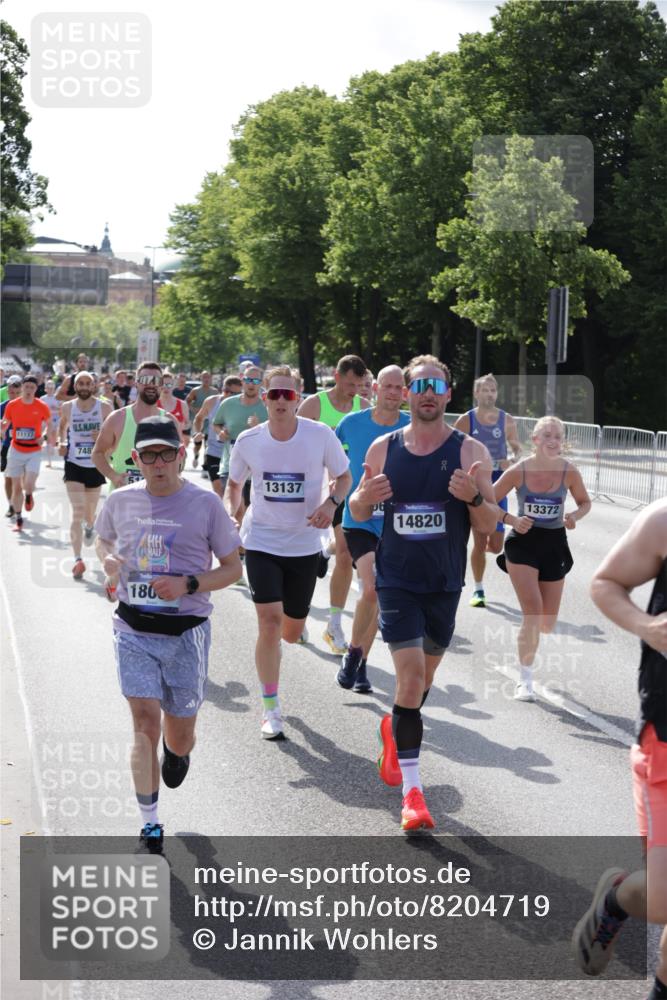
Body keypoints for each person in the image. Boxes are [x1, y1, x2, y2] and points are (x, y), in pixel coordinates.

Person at [349, 355, 496, 832]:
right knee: (409, 679)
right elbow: (355, 504)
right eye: (420, 385)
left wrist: (472, 498)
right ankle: (413, 796)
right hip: (396, 579)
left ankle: (395, 728)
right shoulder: (383, 447)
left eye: (437, 385)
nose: (428, 392)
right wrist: (365, 498)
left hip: (444, 582)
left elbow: (491, 527)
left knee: (421, 684)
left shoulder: (471, 451)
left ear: (449, 394)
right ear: (407, 393)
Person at [95, 415, 242, 851]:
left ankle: (178, 754)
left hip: (186, 633)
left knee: (178, 735)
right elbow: (104, 540)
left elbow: (234, 568)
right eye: (149, 455)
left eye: (167, 453)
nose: (158, 462)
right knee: (144, 723)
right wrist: (107, 562)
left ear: (180, 455)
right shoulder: (119, 501)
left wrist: (188, 584)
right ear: (135, 459)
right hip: (133, 627)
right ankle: (150, 822)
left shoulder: (205, 505)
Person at [571, 498, 667, 999]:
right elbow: (605, 584)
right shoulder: (665, 519)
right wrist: (649, 627)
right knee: (665, 895)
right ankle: (616, 900)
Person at [226, 365, 351, 741]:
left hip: (303, 545)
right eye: (274, 394)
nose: (281, 401)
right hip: (261, 541)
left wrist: (331, 505)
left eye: (288, 394)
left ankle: (294, 632)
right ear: (263, 397)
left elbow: (344, 478)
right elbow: (234, 483)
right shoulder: (249, 440)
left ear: (298, 398)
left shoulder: (320, 435)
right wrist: (234, 514)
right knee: (268, 623)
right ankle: (270, 708)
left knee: (291, 632)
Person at [493, 415, 591, 701]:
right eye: (546, 435)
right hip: (522, 543)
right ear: (534, 440)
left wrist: (574, 515)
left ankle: (528, 630)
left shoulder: (569, 472)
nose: (552, 441)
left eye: (558, 436)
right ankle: (525, 680)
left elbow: (585, 502)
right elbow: (488, 499)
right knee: (533, 612)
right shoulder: (519, 471)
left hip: (554, 544)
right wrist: (511, 518)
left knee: (546, 622)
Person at [335, 366, 410, 693]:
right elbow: (334, 464)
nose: (393, 392)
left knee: (377, 593)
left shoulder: (413, 426)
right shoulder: (351, 424)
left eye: (399, 388)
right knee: (371, 588)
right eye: (388, 386)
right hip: (359, 517)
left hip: (396, 523)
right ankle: (355, 654)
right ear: (375, 388)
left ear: (405, 392)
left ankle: (360, 659)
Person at [298, 355, 370, 654]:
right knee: (300, 557)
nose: (355, 390)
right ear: (337, 377)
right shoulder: (314, 405)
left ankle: (334, 624)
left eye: (359, 384)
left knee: (344, 554)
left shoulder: (363, 409)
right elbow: (294, 444)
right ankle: (297, 613)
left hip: (346, 491)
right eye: (350, 383)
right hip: (312, 491)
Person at [92, 363, 177, 600]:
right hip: (123, 501)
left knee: (148, 562)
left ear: (162, 386)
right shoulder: (118, 418)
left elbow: (178, 460)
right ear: (136, 382)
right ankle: (112, 573)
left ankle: (140, 604)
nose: (151, 384)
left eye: (156, 380)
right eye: (146, 378)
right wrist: (114, 476)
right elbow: (97, 453)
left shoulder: (168, 420)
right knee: (107, 543)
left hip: (158, 502)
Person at [453, 373, 522, 607]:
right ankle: (479, 590)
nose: (490, 394)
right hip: (476, 485)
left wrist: (511, 460)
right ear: (476, 393)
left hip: (498, 485)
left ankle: (488, 558)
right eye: (485, 390)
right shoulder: (466, 420)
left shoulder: (506, 420)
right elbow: (452, 449)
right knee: (480, 541)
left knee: (496, 546)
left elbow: (517, 449)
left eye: (493, 390)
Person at [58, 371, 111, 579]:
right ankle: (78, 559)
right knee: (77, 511)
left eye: (88, 383)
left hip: (95, 464)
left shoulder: (105, 407)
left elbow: (115, 434)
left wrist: (104, 438)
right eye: (80, 383)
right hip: (73, 464)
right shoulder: (67, 407)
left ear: (93, 386)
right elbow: (62, 426)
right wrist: (61, 442)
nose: (84, 386)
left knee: (89, 513)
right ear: (75, 386)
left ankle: (91, 526)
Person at [212, 365, 267, 517]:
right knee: (237, 507)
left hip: (256, 466)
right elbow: (216, 424)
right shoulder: (228, 404)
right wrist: (221, 433)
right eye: (248, 380)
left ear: (261, 383)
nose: (251, 384)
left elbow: (277, 434)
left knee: (248, 510)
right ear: (242, 381)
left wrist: (259, 428)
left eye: (256, 380)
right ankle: (233, 538)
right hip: (229, 463)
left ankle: (242, 538)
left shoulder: (267, 406)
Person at [1, 375, 52, 532]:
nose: (29, 390)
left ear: (36, 389)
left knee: (28, 484)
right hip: (16, 449)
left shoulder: (41, 406)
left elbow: (51, 425)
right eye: (26, 387)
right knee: (17, 487)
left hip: (34, 451)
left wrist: (43, 437)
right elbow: (5, 424)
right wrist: (2, 427)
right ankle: (18, 518)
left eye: (32, 387)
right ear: (22, 388)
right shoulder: (12, 405)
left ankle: (29, 495)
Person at [195, 375, 242, 499]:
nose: (238, 397)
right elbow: (199, 418)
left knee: (233, 493)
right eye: (234, 394)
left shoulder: (243, 406)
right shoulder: (211, 402)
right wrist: (198, 432)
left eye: (240, 393)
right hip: (214, 452)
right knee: (219, 490)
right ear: (225, 391)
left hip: (234, 455)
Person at [186, 371, 217, 468]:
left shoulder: (215, 392)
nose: (206, 379)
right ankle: (196, 456)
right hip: (199, 420)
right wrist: (193, 409)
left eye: (208, 377)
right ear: (201, 379)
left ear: (211, 379)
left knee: (208, 443)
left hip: (210, 421)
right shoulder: (195, 390)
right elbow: (187, 401)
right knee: (198, 444)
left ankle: (205, 464)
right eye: (204, 377)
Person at [1, 376, 22, 517]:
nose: (13, 396)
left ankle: (18, 502)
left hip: (24, 448)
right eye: (10, 393)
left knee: (20, 480)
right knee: (8, 478)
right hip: (8, 447)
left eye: (16, 393)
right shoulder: (2, 407)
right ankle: (11, 506)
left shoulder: (27, 405)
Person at [41, 379, 62, 466]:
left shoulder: (58, 398)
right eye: (48, 387)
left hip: (56, 420)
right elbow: (39, 410)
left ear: (54, 388)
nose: (50, 389)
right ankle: (49, 461)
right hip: (47, 421)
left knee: (53, 439)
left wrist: (56, 409)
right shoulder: (43, 398)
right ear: (45, 388)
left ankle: (52, 447)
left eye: (52, 387)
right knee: (49, 439)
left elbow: (62, 410)